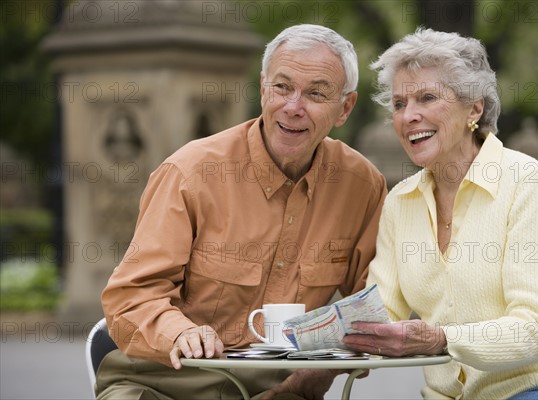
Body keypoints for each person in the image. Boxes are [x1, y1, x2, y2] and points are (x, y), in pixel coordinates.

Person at [97, 24, 386, 400]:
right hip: (161, 384)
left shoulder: (361, 186)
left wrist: (312, 378)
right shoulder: (191, 173)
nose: (293, 106)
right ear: (263, 88)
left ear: (345, 107)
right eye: (282, 87)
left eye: (316, 93)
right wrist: (180, 332)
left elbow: (374, 305)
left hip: (282, 392)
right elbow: (128, 298)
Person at [343, 28, 538, 400]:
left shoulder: (525, 182)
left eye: (427, 98)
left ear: (474, 108)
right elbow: (380, 313)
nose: (409, 116)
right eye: (399, 104)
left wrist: (441, 339)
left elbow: (534, 329)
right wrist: (310, 338)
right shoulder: (400, 201)